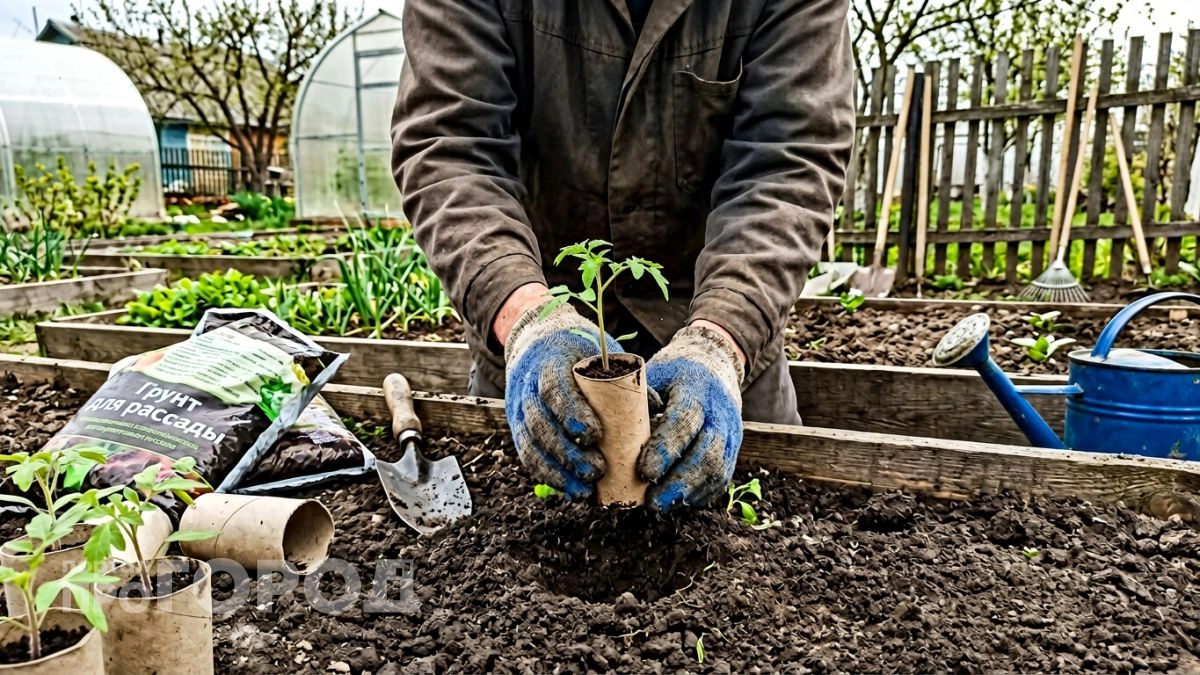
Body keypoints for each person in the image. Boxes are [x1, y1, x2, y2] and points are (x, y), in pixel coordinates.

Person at [391, 0, 854, 513]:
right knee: (511, 543)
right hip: (541, 344)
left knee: (763, 553)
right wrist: (526, 317)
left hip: (720, 351)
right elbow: (449, 147)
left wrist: (723, 339)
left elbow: (788, 167)